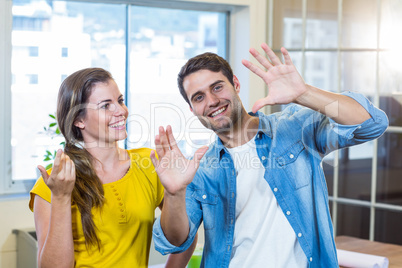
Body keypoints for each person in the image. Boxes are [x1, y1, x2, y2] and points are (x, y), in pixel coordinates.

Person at [150, 44, 389, 267]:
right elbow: (175, 241)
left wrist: (304, 93)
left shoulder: (293, 128)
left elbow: (371, 124)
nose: (212, 101)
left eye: (217, 87)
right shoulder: (199, 169)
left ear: (235, 83)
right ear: (193, 110)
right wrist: (174, 193)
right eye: (199, 97)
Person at [29, 68, 196, 268]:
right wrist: (62, 198)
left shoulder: (148, 163)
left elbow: (183, 238)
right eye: (105, 106)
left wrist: (175, 193)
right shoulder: (55, 184)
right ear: (78, 120)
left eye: (120, 100)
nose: (121, 111)